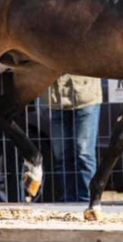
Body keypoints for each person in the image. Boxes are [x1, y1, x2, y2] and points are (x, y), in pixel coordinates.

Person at [48, 74, 102, 202]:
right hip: (56, 100)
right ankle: (68, 200)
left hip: (85, 97)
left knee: (83, 154)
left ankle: (87, 201)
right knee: (62, 156)